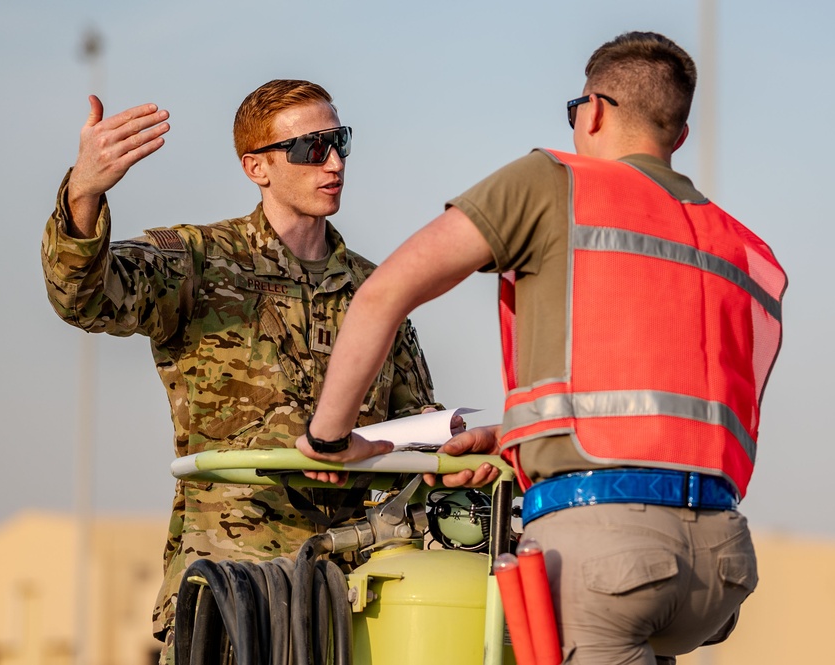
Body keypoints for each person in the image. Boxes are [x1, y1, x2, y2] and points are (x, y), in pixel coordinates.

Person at [296, 32, 787, 664]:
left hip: (605, 548)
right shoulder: (741, 248)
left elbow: (384, 293)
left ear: (595, 110)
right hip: (721, 563)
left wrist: (333, 439)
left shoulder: (554, 182)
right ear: (679, 137)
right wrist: (518, 437)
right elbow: (669, 408)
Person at [41, 79, 445, 662]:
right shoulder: (199, 260)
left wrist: (452, 442)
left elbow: (416, 417)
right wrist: (83, 194)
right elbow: (82, 297)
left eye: (341, 142)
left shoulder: (375, 288)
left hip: (358, 592)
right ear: (257, 167)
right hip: (234, 596)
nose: (333, 162)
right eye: (311, 148)